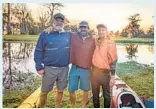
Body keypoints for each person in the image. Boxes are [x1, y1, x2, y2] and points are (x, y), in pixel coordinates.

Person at [34, 13, 71, 108]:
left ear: (64, 23)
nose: (59, 22)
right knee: (44, 91)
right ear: (53, 21)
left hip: (64, 69)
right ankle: (40, 107)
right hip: (49, 69)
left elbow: (81, 38)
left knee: (60, 90)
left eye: (61, 21)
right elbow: (38, 51)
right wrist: (39, 66)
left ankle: (57, 107)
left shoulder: (68, 35)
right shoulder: (45, 34)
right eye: (57, 20)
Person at [69, 21, 95, 108]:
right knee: (71, 89)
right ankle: (73, 106)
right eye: (81, 27)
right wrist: (50, 28)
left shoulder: (93, 40)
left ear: (88, 29)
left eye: (85, 27)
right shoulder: (73, 36)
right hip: (74, 68)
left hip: (86, 69)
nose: (83, 29)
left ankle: (83, 106)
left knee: (85, 90)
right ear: (78, 29)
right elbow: (61, 31)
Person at [91, 24, 118, 108]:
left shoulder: (110, 43)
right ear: (97, 32)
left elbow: (113, 61)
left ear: (106, 32)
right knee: (95, 96)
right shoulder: (94, 41)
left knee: (106, 95)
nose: (101, 32)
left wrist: (113, 76)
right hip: (94, 73)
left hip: (105, 74)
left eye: (103, 30)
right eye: (99, 30)